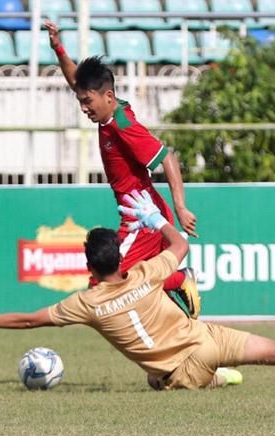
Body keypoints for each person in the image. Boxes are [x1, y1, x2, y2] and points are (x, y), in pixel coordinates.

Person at [0, 190, 275, 390]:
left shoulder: (87, 304)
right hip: (206, 337)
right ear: (119, 258)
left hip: (182, 369)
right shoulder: (145, 274)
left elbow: (29, 320)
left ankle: (214, 378)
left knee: (158, 381)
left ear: (89, 266)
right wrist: (155, 220)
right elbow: (181, 245)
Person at [45, 20, 201, 319]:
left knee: (105, 283)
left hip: (141, 217)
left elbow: (167, 157)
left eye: (87, 102)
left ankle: (181, 279)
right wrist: (58, 48)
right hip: (145, 212)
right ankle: (197, 354)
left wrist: (181, 207)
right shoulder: (109, 110)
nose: (83, 108)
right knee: (151, 295)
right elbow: (77, 79)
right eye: (80, 101)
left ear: (108, 97)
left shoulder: (122, 126)